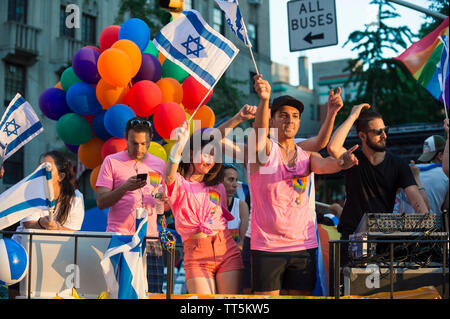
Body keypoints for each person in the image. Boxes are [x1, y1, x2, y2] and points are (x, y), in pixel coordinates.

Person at [247, 74, 358, 296]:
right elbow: (259, 138)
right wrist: (264, 100)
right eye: (284, 116)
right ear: (272, 120)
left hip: (303, 245)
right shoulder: (261, 150)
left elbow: (327, 160)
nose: (290, 120)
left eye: (295, 116)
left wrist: (342, 163)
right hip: (267, 246)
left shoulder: (306, 155)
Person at [327, 105, 429, 245]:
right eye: (378, 132)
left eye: (385, 130)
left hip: (382, 239)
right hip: (350, 238)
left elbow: (417, 202)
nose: (384, 135)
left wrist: (427, 228)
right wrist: (353, 116)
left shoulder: (398, 164)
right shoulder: (352, 159)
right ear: (362, 136)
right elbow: (332, 147)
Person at [165, 123, 244, 295]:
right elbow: (169, 174)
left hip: (226, 249)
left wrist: (239, 118)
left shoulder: (218, 187)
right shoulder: (178, 183)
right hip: (196, 253)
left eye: (213, 155)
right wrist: (179, 145)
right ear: (191, 153)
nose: (209, 160)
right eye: (206, 153)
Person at [96, 117, 167, 293]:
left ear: (151, 140)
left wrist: (163, 200)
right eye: (134, 143)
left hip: (150, 239)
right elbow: (101, 202)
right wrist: (125, 187)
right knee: (120, 293)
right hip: (120, 237)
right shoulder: (112, 161)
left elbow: (164, 209)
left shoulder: (159, 164)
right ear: (126, 138)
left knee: (153, 293)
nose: (139, 149)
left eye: (144, 143)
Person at [14, 150, 85, 237]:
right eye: (40, 168)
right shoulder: (30, 190)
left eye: (47, 168)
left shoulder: (76, 197)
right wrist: (41, 223)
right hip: (22, 247)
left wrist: (56, 228)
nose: (41, 172)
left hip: (54, 248)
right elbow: (28, 225)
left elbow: (73, 232)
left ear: (61, 176)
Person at [395, 135, 448, 216]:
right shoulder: (445, 174)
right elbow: (446, 209)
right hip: (435, 226)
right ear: (440, 156)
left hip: (404, 226)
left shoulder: (407, 170)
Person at [221, 164, 249, 250]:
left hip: (233, 256)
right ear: (219, 181)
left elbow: (243, 242)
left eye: (236, 180)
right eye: (231, 179)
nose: (235, 185)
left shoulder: (241, 206)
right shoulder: (209, 204)